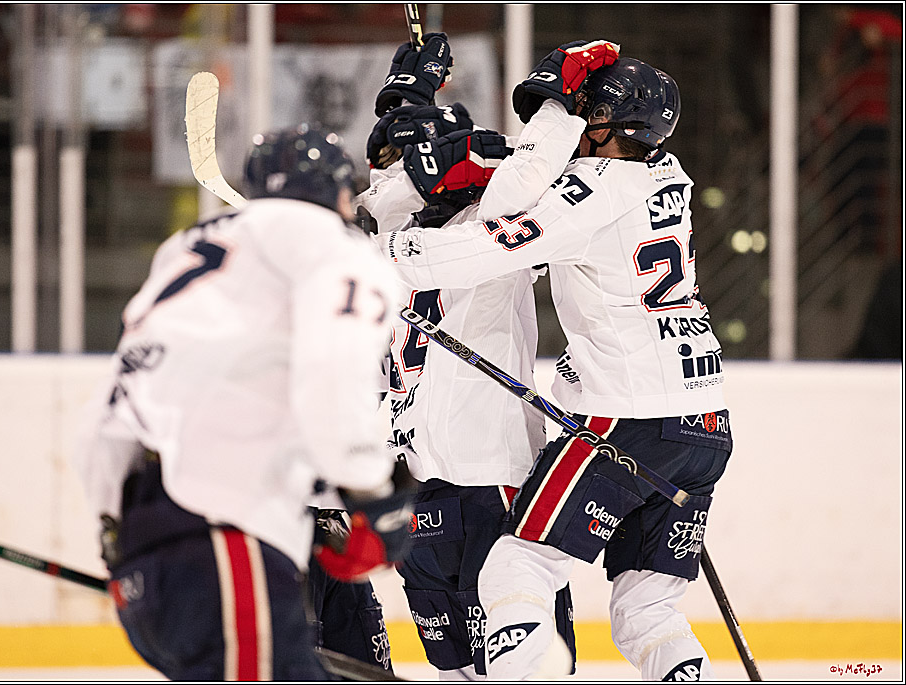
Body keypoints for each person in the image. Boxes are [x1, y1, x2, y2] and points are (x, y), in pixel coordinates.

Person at [380, 51, 733, 681]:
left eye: (586, 112)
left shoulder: (592, 192)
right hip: (703, 423)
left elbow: (494, 234)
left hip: (625, 420)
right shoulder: (667, 174)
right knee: (646, 608)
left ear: (604, 122)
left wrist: (387, 246)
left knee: (517, 567)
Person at [74, 125, 414, 681]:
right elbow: (332, 372)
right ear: (339, 195)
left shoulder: (186, 251)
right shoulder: (335, 245)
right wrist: (372, 497)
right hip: (229, 536)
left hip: (144, 558)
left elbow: (106, 416)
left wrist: (117, 534)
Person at [357, 34, 622, 680]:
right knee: (529, 666)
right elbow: (527, 169)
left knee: (457, 673)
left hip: (418, 488)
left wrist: (406, 96)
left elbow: (396, 169)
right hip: (492, 486)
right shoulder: (487, 226)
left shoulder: (382, 230)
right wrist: (559, 99)